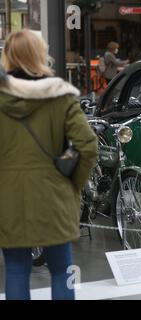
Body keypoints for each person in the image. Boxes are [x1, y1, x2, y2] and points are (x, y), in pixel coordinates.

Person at [0, 29, 99, 300]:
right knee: (62, 270)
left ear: (8, 56)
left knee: (17, 269)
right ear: (41, 54)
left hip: (8, 196)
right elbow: (88, 146)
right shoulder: (60, 96)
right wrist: (74, 183)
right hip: (53, 193)